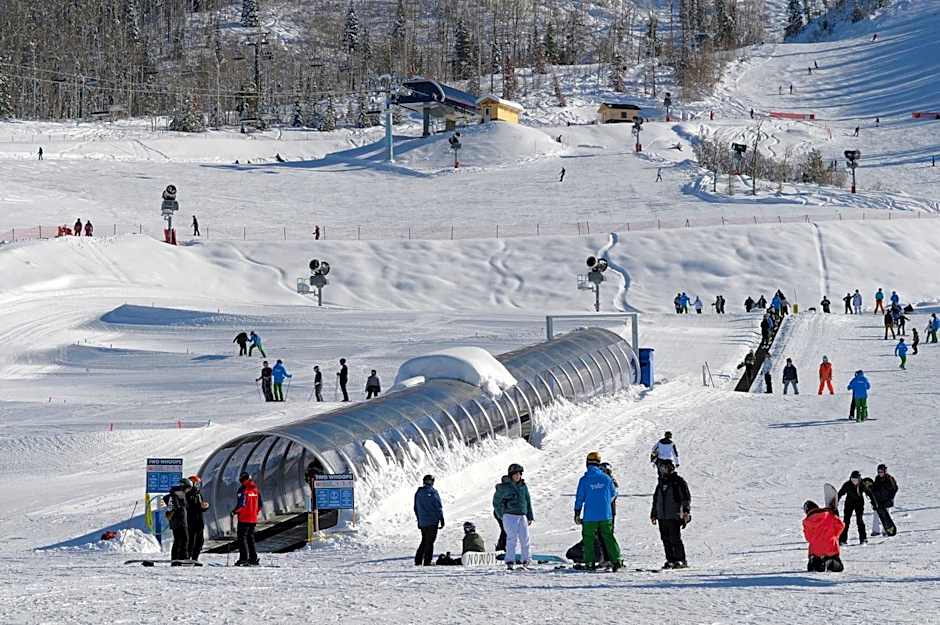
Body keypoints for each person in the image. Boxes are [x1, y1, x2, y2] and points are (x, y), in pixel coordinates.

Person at [574, 452, 622, 571]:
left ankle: (590, 563)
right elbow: (613, 494)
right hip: (606, 515)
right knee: (609, 537)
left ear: (587, 463)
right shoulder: (606, 478)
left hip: (590, 517)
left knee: (588, 539)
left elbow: (579, 498)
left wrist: (577, 513)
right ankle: (617, 560)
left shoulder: (584, 480)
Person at [650, 460, 691, 569]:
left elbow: (686, 498)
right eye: (661, 468)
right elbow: (656, 499)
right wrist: (654, 513)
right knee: (665, 538)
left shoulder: (678, 481)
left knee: (675, 538)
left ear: (670, 468)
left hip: (673, 514)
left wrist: (686, 511)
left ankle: (681, 559)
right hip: (662, 515)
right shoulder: (661, 483)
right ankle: (670, 559)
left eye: (664, 468)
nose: (662, 470)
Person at [493, 463, 533, 569]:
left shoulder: (523, 486)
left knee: (525, 538)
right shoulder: (504, 487)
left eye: (519, 474)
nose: (517, 476)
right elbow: (496, 502)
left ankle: (526, 560)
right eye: (515, 474)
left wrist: (530, 516)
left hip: (522, 515)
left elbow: (527, 501)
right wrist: (501, 514)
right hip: (509, 516)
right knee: (512, 539)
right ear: (511, 475)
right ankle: (510, 561)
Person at [802, 500, 845, 572]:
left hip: (816, 550)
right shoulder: (829, 515)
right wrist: (834, 535)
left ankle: (817, 563)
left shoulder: (806, 521)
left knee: (812, 566)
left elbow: (808, 538)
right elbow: (841, 525)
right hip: (831, 548)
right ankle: (831, 561)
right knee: (839, 567)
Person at [413, 474, 444, 566]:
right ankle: (427, 561)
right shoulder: (433, 492)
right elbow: (438, 507)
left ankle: (418, 560)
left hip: (423, 522)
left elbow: (415, 508)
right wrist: (441, 518)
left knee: (424, 540)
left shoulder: (418, 493)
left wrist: (419, 520)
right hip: (432, 521)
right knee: (430, 542)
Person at [232, 472, 262, 566]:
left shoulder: (242, 490)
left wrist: (234, 512)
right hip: (253, 518)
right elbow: (260, 505)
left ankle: (243, 558)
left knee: (242, 538)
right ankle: (253, 558)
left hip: (244, 518)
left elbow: (241, 505)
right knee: (250, 538)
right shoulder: (256, 490)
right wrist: (254, 513)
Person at [163, 478, 191, 564]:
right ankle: (181, 558)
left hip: (179, 521)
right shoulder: (177, 494)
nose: (188, 490)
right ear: (184, 486)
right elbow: (174, 508)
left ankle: (178, 559)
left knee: (180, 540)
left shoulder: (177, 494)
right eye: (188, 488)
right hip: (179, 522)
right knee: (182, 540)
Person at [838, 471, 868, 545]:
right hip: (849, 504)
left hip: (859, 504)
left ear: (859, 479)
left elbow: (869, 493)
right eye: (852, 480)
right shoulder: (847, 485)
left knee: (860, 521)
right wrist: (835, 501)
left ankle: (863, 538)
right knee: (846, 521)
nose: (854, 482)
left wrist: (874, 503)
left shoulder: (862, 485)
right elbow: (840, 493)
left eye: (855, 480)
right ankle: (842, 540)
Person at [869, 464, 899, 537]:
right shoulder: (877, 478)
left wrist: (890, 499)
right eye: (879, 472)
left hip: (886, 501)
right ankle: (876, 531)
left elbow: (894, 489)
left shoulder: (889, 479)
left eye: (881, 472)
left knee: (887, 515)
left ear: (885, 471)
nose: (880, 473)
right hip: (879, 501)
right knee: (876, 514)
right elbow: (875, 489)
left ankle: (886, 530)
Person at [186, 475, 209, 562]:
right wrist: (199, 507)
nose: (198, 486)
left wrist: (204, 507)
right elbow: (189, 508)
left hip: (199, 521)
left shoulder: (198, 495)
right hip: (190, 521)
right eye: (196, 484)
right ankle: (187, 557)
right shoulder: (187, 495)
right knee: (191, 540)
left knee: (200, 541)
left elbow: (199, 508)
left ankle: (195, 558)